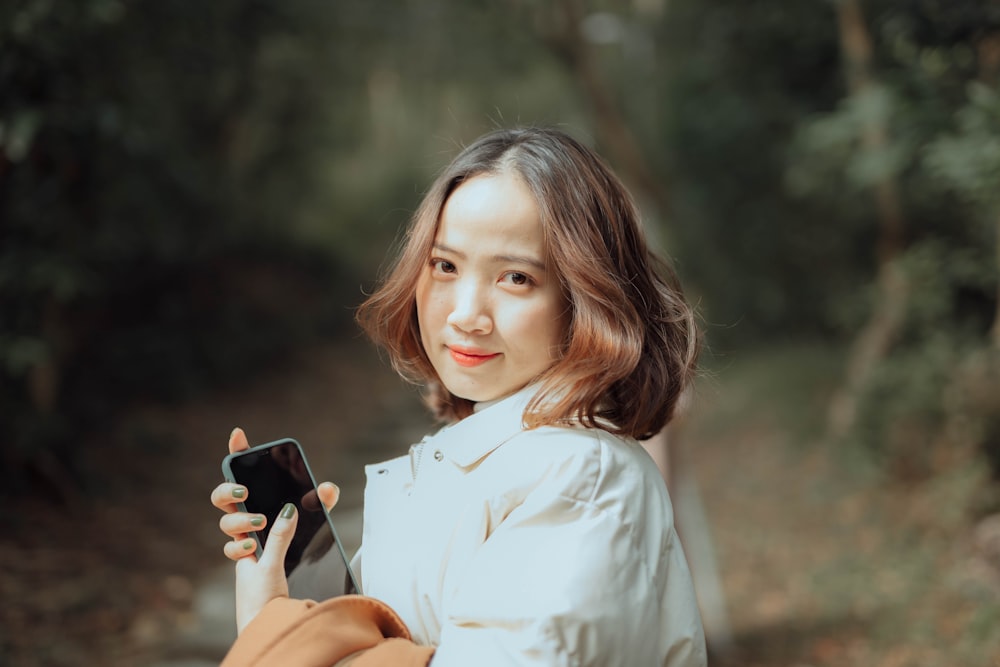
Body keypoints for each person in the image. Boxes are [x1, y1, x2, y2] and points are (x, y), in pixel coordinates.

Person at [210, 126, 708, 666]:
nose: (465, 313)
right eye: (445, 265)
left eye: (516, 277)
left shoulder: (580, 477)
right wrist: (278, 617)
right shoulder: (481, 458)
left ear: (586, 298)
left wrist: (281, 644)